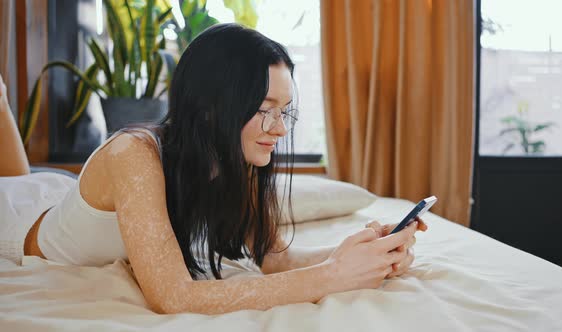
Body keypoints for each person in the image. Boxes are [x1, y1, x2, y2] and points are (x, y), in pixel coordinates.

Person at [0, 23, 427, 315]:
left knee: (24, 177)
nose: (279, 129)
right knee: (14, 184)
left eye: (284, 112)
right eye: (264, 110)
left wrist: (364, 254)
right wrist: (332, 278)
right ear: (211, 108)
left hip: (59, 197)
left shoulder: (234, 156)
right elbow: (173, 297)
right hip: (16, 218)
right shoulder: (133, 153)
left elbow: (273, 261)